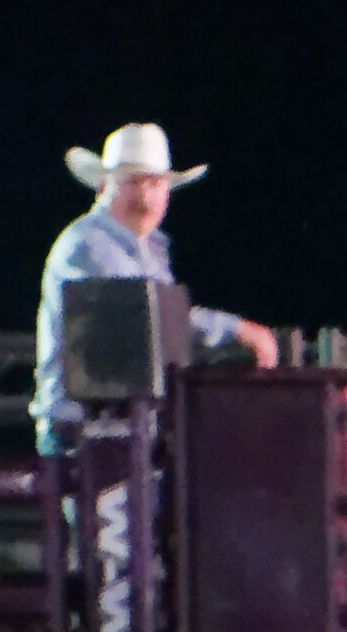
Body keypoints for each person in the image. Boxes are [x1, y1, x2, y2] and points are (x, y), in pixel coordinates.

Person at [31, 123, 281, 455]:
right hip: (87, 435)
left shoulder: (148, 249)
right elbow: (147, 318)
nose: (146, 197)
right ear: (104, 187)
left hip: (126, 429)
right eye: (133, 182)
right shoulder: (88, 243)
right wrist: (236, 331)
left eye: (155, 183)